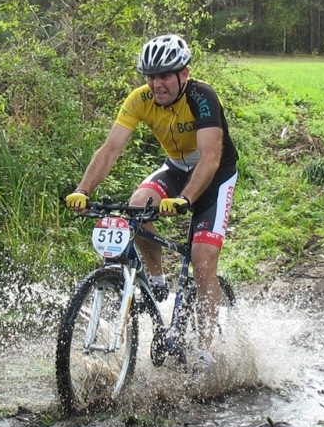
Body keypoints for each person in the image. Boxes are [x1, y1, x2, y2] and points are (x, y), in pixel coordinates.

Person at [64, 34, 239, 367]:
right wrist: (83, 190)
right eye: (151, 76)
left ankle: (205, 350)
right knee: (138, 204)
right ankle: (157, 280)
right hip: (175, 167)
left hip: (214, 175)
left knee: (202, 260)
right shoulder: (139, 99)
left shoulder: (203, 98)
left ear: (183, 74)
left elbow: (211, 157)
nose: (157, 84)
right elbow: (110, 149)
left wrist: (186, 199)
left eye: (164, 76)